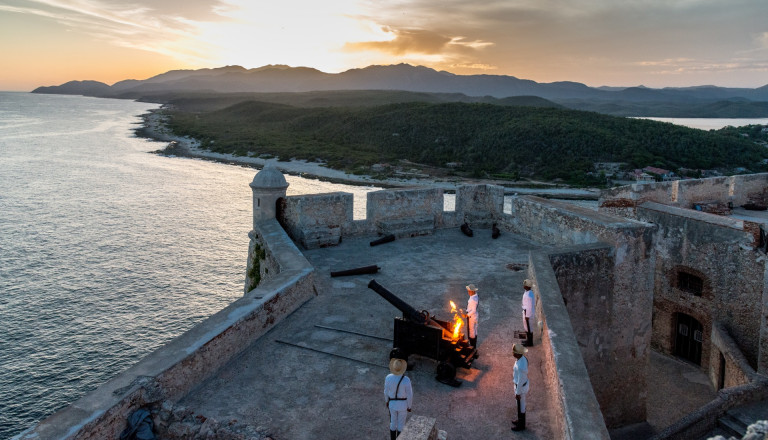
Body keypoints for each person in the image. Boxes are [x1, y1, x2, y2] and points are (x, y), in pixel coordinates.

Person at [384, 358, 413, 440]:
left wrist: (386, 401)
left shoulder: (388, 377)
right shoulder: (406, 380)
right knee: (401, 425)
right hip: (403, 406)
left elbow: (385, 391)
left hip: (392, 404)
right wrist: (409, 406)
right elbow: (410, 395)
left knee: (393, 423)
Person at [511, 343, 530, 431]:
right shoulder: (522, 358)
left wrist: (517, 393)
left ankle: (521, 425)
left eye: (514, 352)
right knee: (519, 405)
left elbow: (520, 381)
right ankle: (520, 420)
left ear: (518, 354)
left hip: (520, 388)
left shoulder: (521, 367)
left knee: (521, 406)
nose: (512, 353)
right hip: (520, 386)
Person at [461, 283, 479, 355]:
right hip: (475, 316)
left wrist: (467, 315)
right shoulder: (475, 296)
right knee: (474, 330)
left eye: (469, 291)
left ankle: (472, 347)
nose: (468, 292)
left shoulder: (473, 300)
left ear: (472, 291)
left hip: (472, 317)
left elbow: (473, 310)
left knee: (472, 331)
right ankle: (473, 345)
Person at [522, 279, 535, 347]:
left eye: (525, 285)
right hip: (526, 312)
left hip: (528, 313)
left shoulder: (529, 295)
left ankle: (530, 343)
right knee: (527, 327)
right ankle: (528, 341)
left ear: (527, 286)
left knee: (529, 328)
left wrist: (527, 316)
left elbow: (529, 307)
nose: (523, 286)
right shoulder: (527, 292)